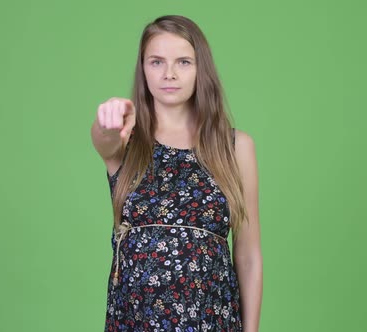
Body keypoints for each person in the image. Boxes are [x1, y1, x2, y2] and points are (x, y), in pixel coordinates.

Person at [90, 15, 263, 332]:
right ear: (143, 69)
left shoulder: (235, 147)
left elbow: (249, 255)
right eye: (156, 62)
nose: (169, 74)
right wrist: (108, 118)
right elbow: (103, 138)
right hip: (136, 319)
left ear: (201, 69)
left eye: (183, 62)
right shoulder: (126, 141)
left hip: (211, 318)